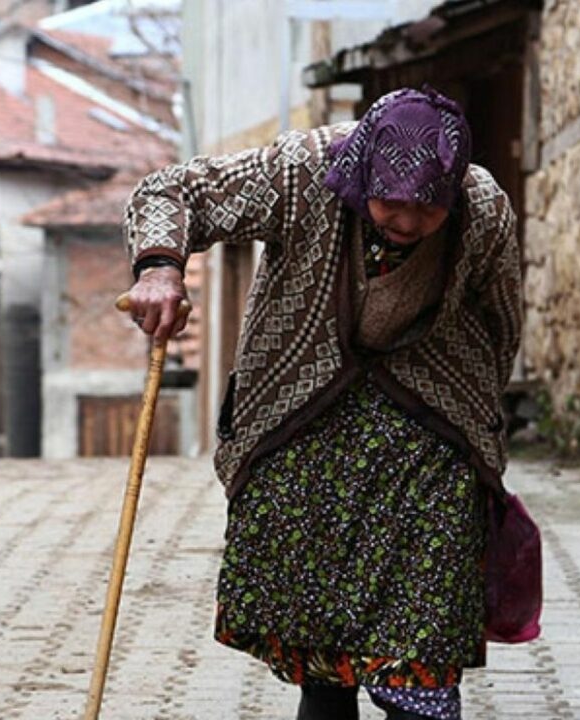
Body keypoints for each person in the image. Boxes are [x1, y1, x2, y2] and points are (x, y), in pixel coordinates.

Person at [122, 88, 523, 720]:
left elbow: (502, 322)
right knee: (322, 649)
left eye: (429, 206)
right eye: (393, 200)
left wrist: (481, 430)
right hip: (302, 421)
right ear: (363, 172)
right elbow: (172, 191)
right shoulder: (302, 171)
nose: (409, 221)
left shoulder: (483, 209)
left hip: (428, 431)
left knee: (425, 645)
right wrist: (160, 270)